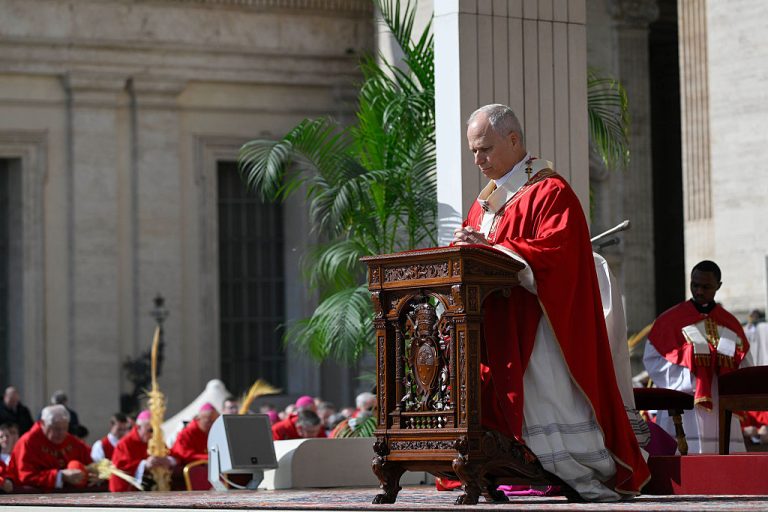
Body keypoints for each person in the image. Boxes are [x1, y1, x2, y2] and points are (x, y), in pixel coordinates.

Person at [450, 104, 649, 501]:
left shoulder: (550, 191)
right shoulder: (484, 203)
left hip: (539, 325)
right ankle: (504, 464)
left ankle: (574, 468)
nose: (478, 160)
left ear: (513, 140)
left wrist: (493, 250)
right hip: (498, 323)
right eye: (473, 151)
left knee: (547, 398)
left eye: (485, 149)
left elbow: (558, 252)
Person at [643, 260, 752, 453]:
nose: (699, 291)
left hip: (719, 405)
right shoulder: (669, 320)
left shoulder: (730, 323)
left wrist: (717, 371)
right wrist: (692, 373)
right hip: (683, 404)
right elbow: (653, 360)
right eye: (695, 285)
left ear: (718, 286)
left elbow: (745, 365)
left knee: (723, 462)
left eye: (706, 286)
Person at [7, 404, 92, 490]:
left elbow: (91, 461)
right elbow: (26, 477)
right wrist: (60, 476)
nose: (61, 433)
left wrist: (94, 474)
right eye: (56, 429)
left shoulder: (71, 441)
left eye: (65, 428)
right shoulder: (28, 442)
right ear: (43, 423)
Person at [110, 410, 175, 492]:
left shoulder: (157, 441)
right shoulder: (125, 444)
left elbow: (173, 455)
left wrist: (167, 460)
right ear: (139, 427)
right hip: (130, 492)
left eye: (156, 431)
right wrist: (145, 465)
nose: (153, 435)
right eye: (150, 430)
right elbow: (121, 468)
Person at [169, 403, 218, 467]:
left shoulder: (214, 433)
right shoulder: (187, 433)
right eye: (209, 421)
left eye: (215, 421)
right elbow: (184, 455)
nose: (213, 424)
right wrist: (210, 458)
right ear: (199, 419)